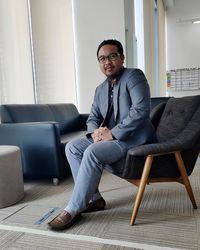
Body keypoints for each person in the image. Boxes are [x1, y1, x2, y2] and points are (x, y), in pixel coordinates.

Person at [48, 39, 156, 230]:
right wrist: (95, 133)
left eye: (112, 56)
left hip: (134, 138)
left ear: (122, 58)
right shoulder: (100, 89)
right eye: (102, 58)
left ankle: (73, 208)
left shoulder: (134, 76)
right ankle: (94, 199)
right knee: (73, 147)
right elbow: (93, 117)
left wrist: (112, 134)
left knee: (92, 152)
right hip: (109, 139)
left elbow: (141, 110)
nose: (107, 62)